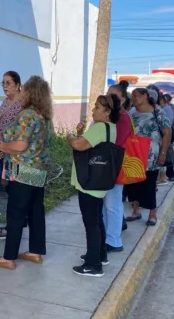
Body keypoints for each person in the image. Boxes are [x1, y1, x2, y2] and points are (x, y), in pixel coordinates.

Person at [0, 76, 52, 270]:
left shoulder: (27, 115)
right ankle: (35, 251)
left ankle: (8, 258)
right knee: (35, 211)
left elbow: (20, 145)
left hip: (22, 170)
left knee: (15, 213)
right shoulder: (43, 116)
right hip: (38, 170)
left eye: (25, 89)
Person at [68, 94, 122, 277]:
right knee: (97, 219)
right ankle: (99, 254)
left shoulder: (100, 128)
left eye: (98, 107)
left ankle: (93, 265)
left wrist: (70, 136)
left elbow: (78, 145)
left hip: (89, 184)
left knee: (90, 222)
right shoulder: (110, 128)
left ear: (107, 112)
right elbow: (87, 143)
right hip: (97, 182)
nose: (93, 110)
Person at [124, 88, 171, 226]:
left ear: (145, 96)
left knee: (149, 184)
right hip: (134, 154)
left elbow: (167, 133)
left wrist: (163, 153)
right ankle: (135, 211)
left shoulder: (157, 112)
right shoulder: (131, 112)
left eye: (137, 96)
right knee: (132, 184)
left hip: (151, 155)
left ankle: (152, 213)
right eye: (133, 96)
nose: (134, 98)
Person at [0, 71, 23, 238]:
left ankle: (14, 224)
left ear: (18, 85)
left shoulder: (22, 103)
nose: (5, 86)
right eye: (2, 83)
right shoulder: (5, 102)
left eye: (8, 83)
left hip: (13, 153)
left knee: (14, 189)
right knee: (9, 189)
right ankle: (15, 222)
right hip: (1, 151)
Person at [103, 81, 133, 253]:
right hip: (110, 164)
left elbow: (114, 142)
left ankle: (113, 240)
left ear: (122, 99)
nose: (110, 98)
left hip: (116, 165)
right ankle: (109, 236)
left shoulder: (122, 117)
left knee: (112, 204)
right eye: (108, 95)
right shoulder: (115, 115)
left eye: (113, 96)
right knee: (108, 204)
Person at [157, 94, 174, 186]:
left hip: (164, 135)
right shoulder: (164, 108)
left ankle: (163, 177)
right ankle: (162, 177)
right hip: (163, 135)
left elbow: (169, 123)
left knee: (164, 156)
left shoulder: (166, 109)